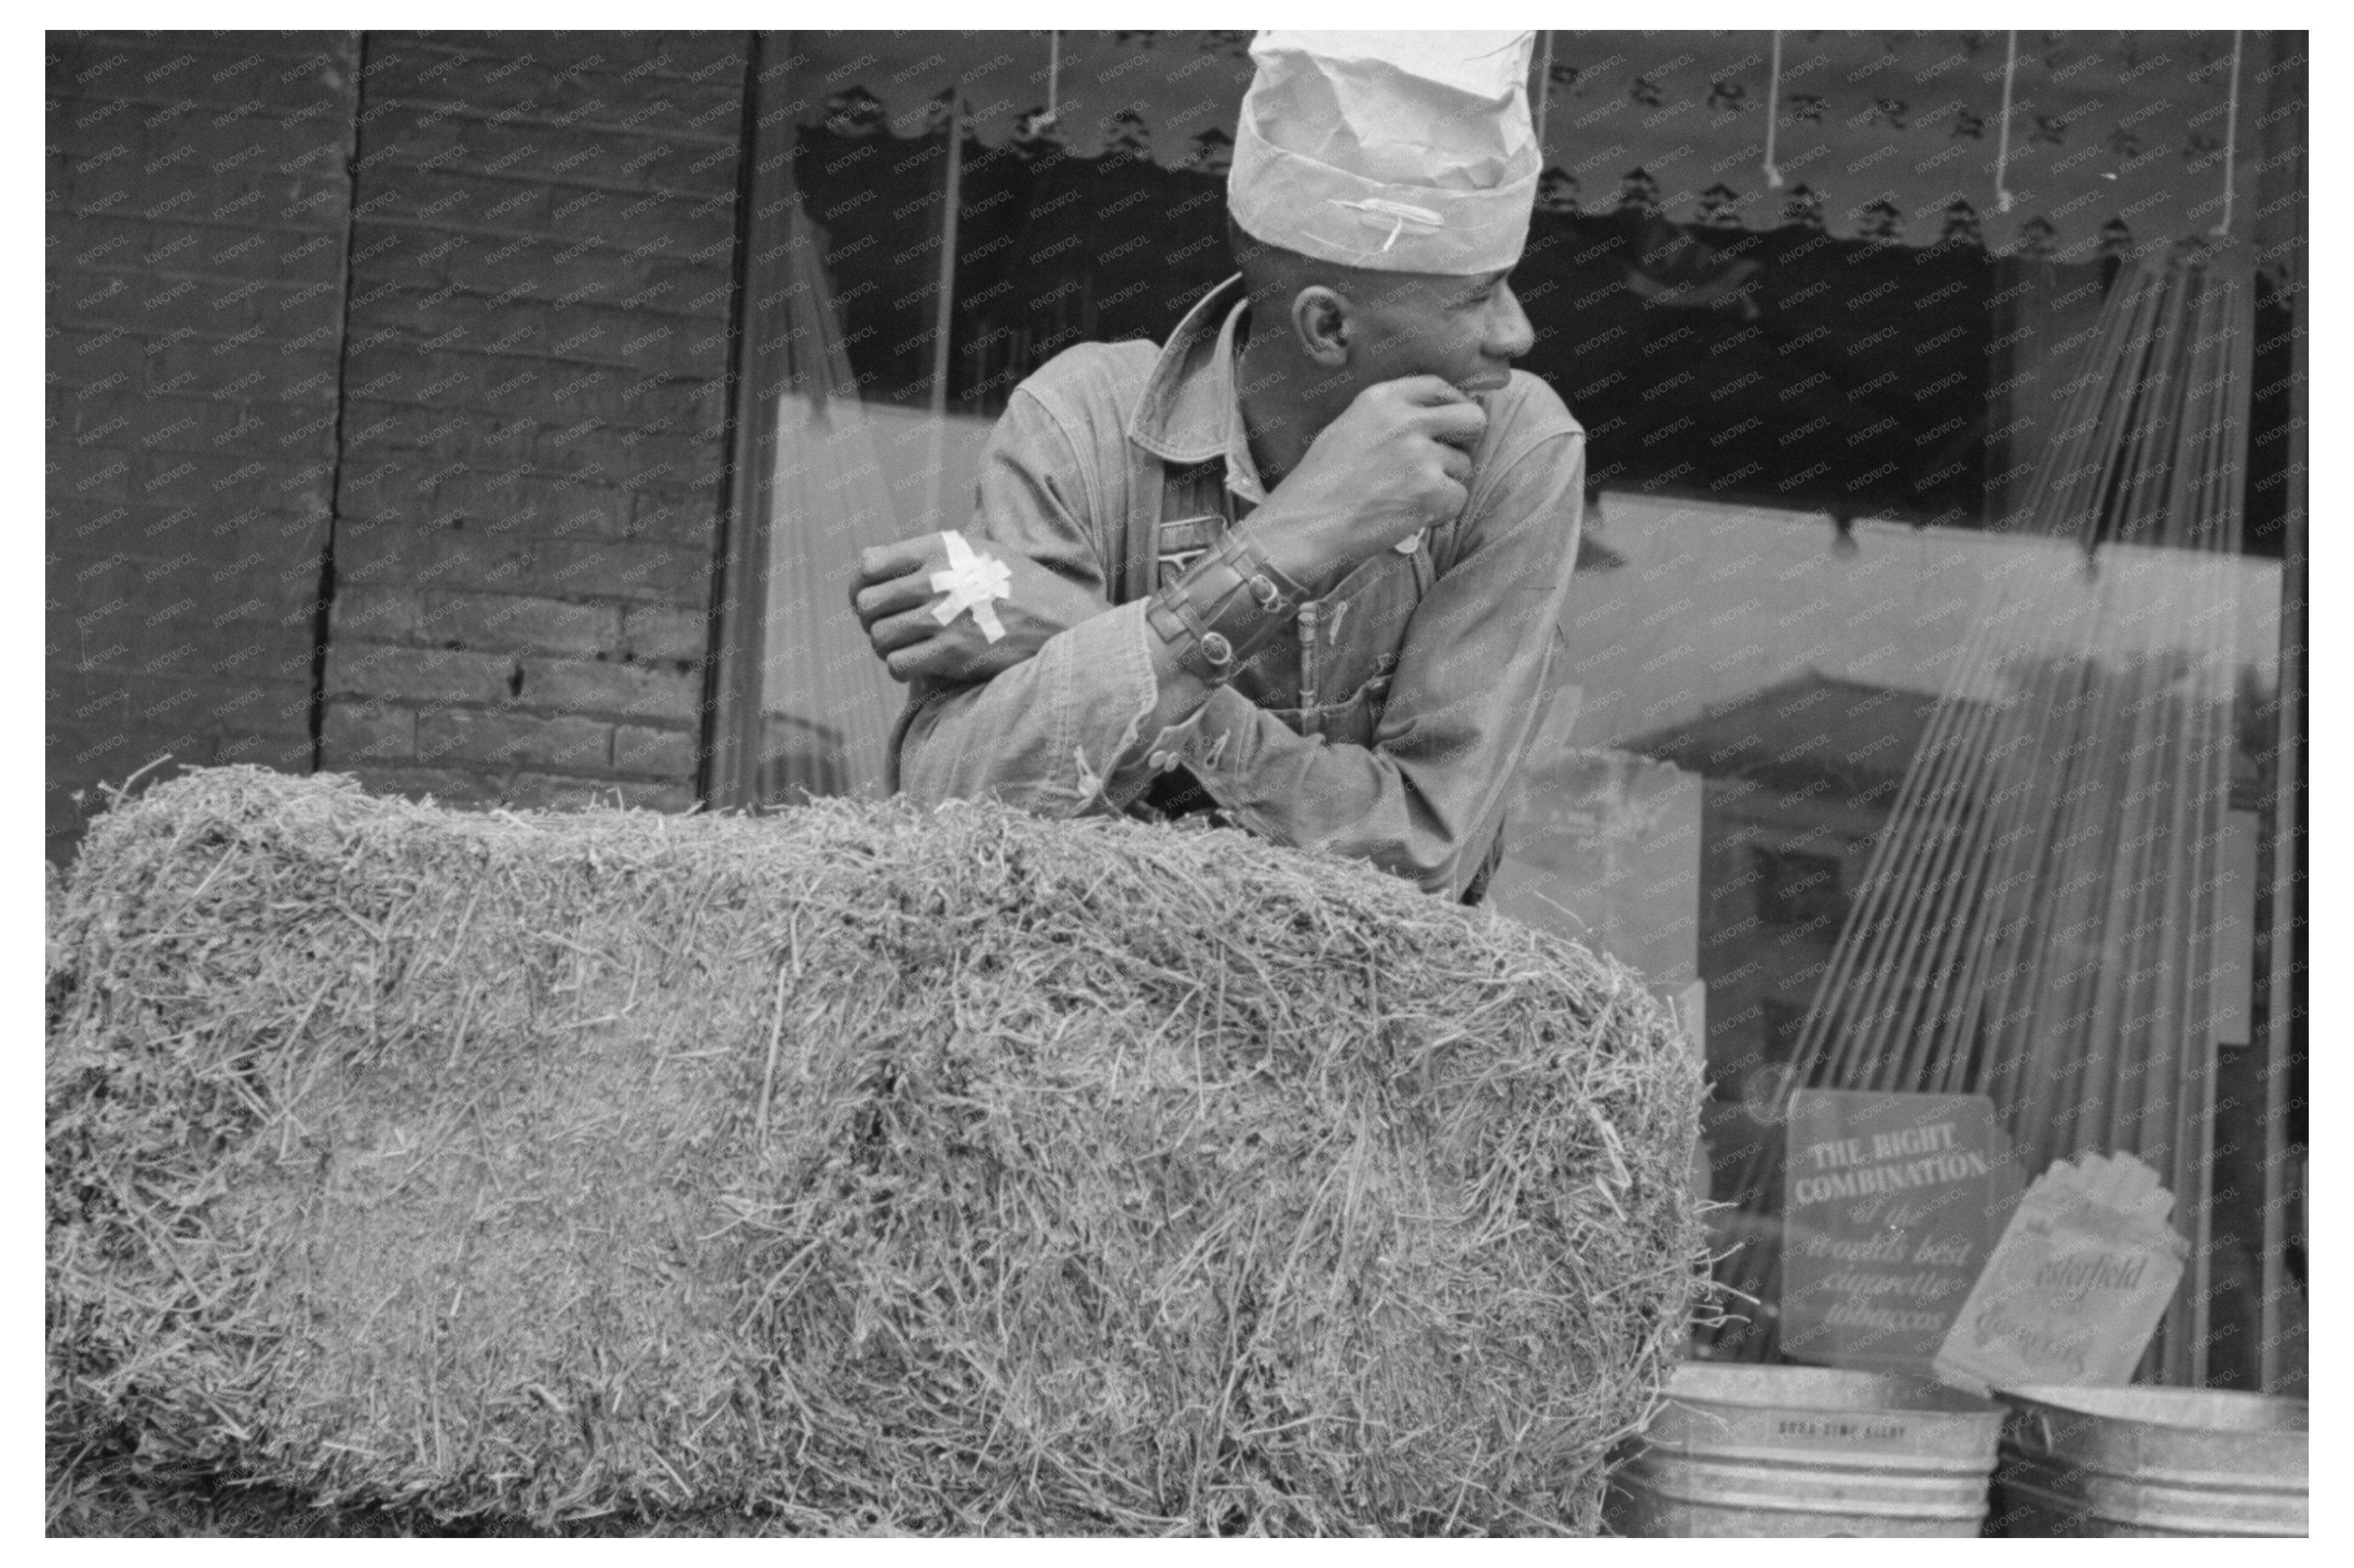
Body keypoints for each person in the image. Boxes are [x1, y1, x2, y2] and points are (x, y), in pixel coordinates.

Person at [847, 31, 1586, 904]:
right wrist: (1278, 550)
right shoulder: (1080, 423)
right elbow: (949, 809)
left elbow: (1423, 854)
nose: (1517, 334)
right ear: (1327, 329)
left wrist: (1111, 633)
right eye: (1475, 297)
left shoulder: (1515, 450)